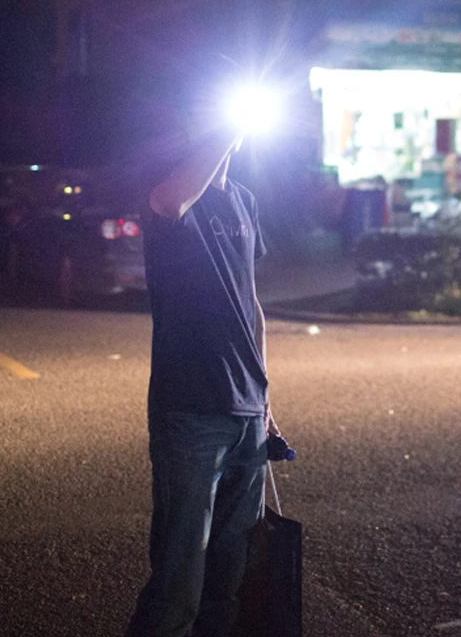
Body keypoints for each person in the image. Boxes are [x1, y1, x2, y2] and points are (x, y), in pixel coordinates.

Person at [125, 76, 280, 637]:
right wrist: (224, 129)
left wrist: (264, 394)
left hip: (246, 409)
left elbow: (251, 302)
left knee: (228, 580)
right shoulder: (168, 188)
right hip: (189, 409)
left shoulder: (244, 200)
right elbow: (170, 201)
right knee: (177, 584)